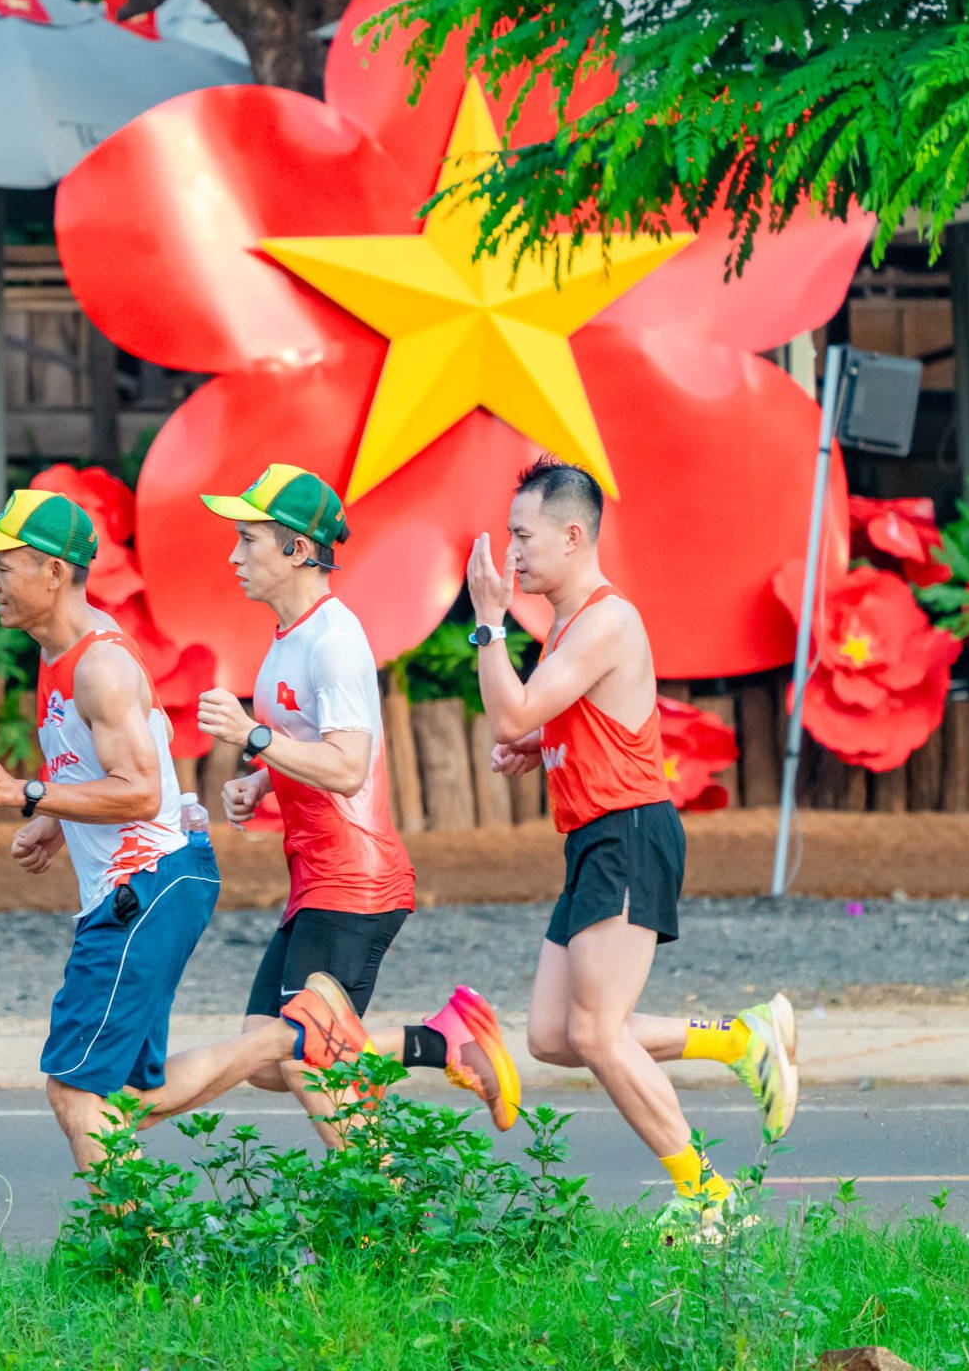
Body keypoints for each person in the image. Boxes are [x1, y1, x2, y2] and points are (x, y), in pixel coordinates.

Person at [0, 489, 370, 1174]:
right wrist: (55, 820)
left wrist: (24, 793)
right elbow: (131, 750)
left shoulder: (100, 666)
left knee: (76, 1090)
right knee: (128, 1097)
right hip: (148, 883)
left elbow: (142, 791)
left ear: (53, 572)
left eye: (3, 567)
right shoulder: (61, 650)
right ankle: (292, 1036)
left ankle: (135, 1241)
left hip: (145, 884)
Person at [468, 457, 800, 1236]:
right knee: (554, 1036)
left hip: (628, 834)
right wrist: (541, 746)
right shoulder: (566, 628)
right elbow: (551, 719)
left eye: (523, 536)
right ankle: (739, 1039)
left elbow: (510, 712)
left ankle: (709, 1199)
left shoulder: (606, 620)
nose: (511, 554)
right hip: (594, 839)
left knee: (595, 1032)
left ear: (572, 535)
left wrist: (489, 621)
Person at [195, 464, 520, 1146]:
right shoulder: (288, 639)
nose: (232, 557)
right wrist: (261, 780)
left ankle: (380, 1202)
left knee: (308, 1059)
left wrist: (252, 737)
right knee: (268, 1054)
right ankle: (445, 1040)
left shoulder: (334, 640)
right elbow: (314, 742)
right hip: (314, 878)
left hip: (354, 881)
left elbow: (347, 768)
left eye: (248, 540)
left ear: (297, 549)